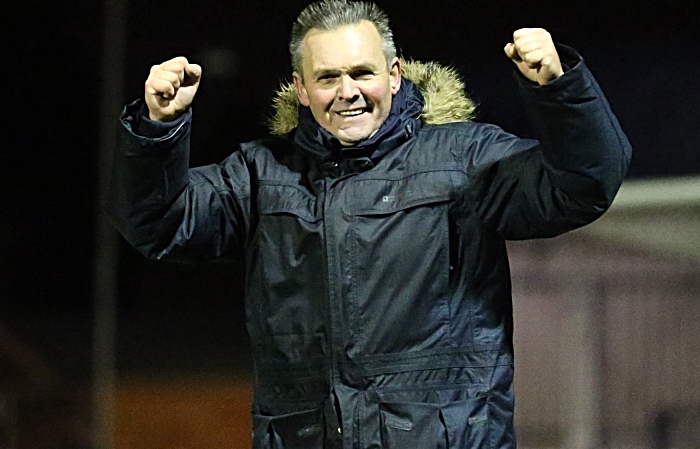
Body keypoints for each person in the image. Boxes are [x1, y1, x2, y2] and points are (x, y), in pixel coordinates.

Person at [108, 0, 632, 447]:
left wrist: (560, 90)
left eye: (362, 73)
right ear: (300, 86)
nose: (348, 91)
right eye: (328, 77)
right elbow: (159, 224)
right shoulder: (260, 175)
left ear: (394, 73)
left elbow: (584, 186)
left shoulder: (466, 161)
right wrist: (159, 128)